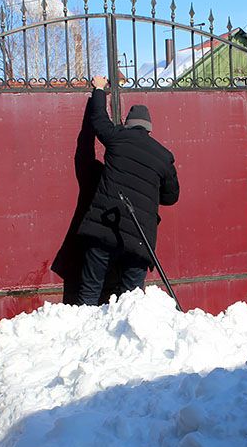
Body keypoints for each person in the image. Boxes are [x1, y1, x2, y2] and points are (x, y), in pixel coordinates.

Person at [75, 76, 180, 305]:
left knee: (91, 290)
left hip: (104, 227)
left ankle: (83, 332)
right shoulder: (163, 156)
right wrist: (150, 193)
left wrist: (99, 89)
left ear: (128, 122)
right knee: (130, 301)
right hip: (139, 237)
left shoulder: (117, 137)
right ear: (149, 128)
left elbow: (98, 119)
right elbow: (172, 197)